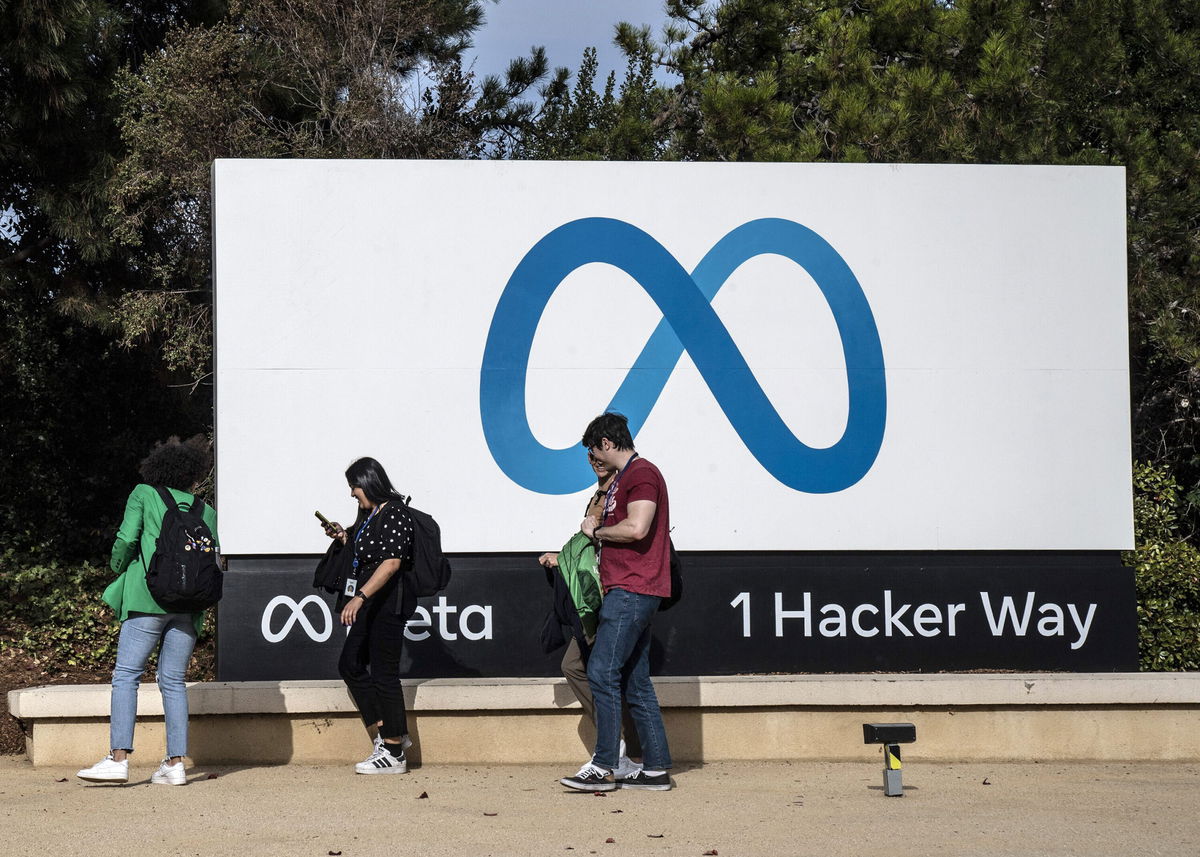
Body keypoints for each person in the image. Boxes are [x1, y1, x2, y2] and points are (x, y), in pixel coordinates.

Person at [77, 435, 218, 786]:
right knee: (173, 682)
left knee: (126, 676)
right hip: (188, 607)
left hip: (147, 598)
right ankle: (175, 764)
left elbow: (126, 541)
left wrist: (115, 566)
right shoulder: (205, 509)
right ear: (190, 474)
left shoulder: (143, 494)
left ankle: (118, 759)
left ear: (157, 469)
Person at [560, 412, 673, 792]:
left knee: (601, 672)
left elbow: (637, 527)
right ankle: (655, 769)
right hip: (629, 588)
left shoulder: (642, 474)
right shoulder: (625, 478)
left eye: (593, 450)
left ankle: (605, 764)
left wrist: (598, 532)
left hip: (633, 589)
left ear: (606, 444)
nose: (592, 458)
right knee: (635, 682)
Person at [539, 451, 642, 779]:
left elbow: (604, 537)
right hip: (595, 596)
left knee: (607, 675)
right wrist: (563, 557)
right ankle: (620, 750)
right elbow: (588, 543)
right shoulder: (602, 492)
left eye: (598, 454)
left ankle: (617, 753)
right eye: (590, 456)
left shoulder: (619, 491)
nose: (594, 461)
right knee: (578, 667)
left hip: (611, 596)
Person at [322, 456, 416, 774]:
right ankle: (386, 731)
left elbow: (391, 563)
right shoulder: (370, 514)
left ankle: (394, 753)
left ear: (369, 481)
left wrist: (360, 597)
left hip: (388, 603)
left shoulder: (395, 512)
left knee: (384, 673)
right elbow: (367, 551)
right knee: (350, 664)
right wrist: (343, 536)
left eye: (354, 486)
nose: (352, 493)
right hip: (371, 603)